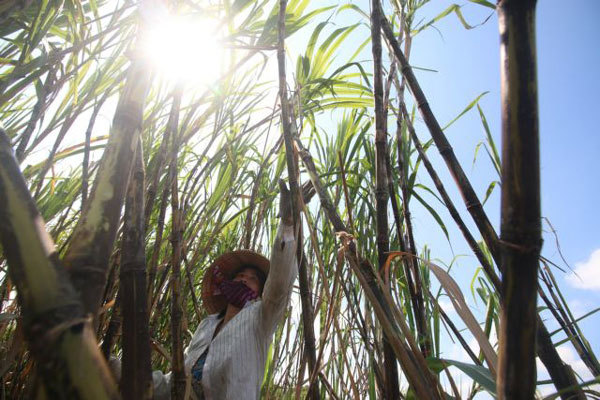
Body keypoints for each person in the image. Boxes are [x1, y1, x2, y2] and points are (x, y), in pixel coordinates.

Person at [150, 180, 298, 399]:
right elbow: (176, 382)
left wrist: (287, 225)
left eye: (253, 278)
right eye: (239, 276)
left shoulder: (260, 318)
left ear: (259, 291)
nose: (244, 280)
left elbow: (279, 285)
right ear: (227, 284)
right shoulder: (206, 325)